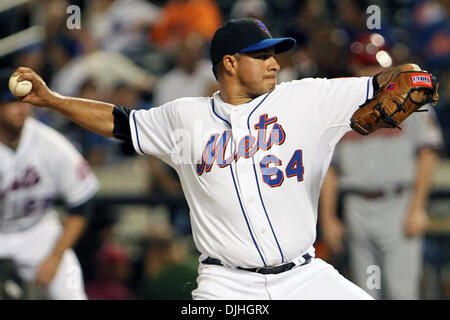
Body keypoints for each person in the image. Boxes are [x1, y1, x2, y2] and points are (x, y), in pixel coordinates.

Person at [10, 18, 437, 299]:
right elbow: (120, 122)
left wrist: (414, 76)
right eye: (262, 55)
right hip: (226, 285)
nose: (274, 62)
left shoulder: (308, 97)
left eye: (275, 54)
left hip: (306, 278)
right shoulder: (185, 117)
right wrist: (54, 100)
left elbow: (398, 77)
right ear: (229, 63)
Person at [319, 34, 444, 299]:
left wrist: (418, 208)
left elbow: (427, 154)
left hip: (397, 204)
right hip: (356, 207)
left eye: (376, 66)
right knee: (366, 293)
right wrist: (329, 217)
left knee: (402, 292)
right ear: (355, 68)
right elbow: (330, 167)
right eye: (365, 65)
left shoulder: (412, 101)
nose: (372, 72)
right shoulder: (342, 109)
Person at [0, 91, 99, 299]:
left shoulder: (49, 143)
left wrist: (55, 257)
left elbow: (82, 203)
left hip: (38, 232)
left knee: (72, 294)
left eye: (24, 102)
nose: (22, 108)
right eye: (12, 103)